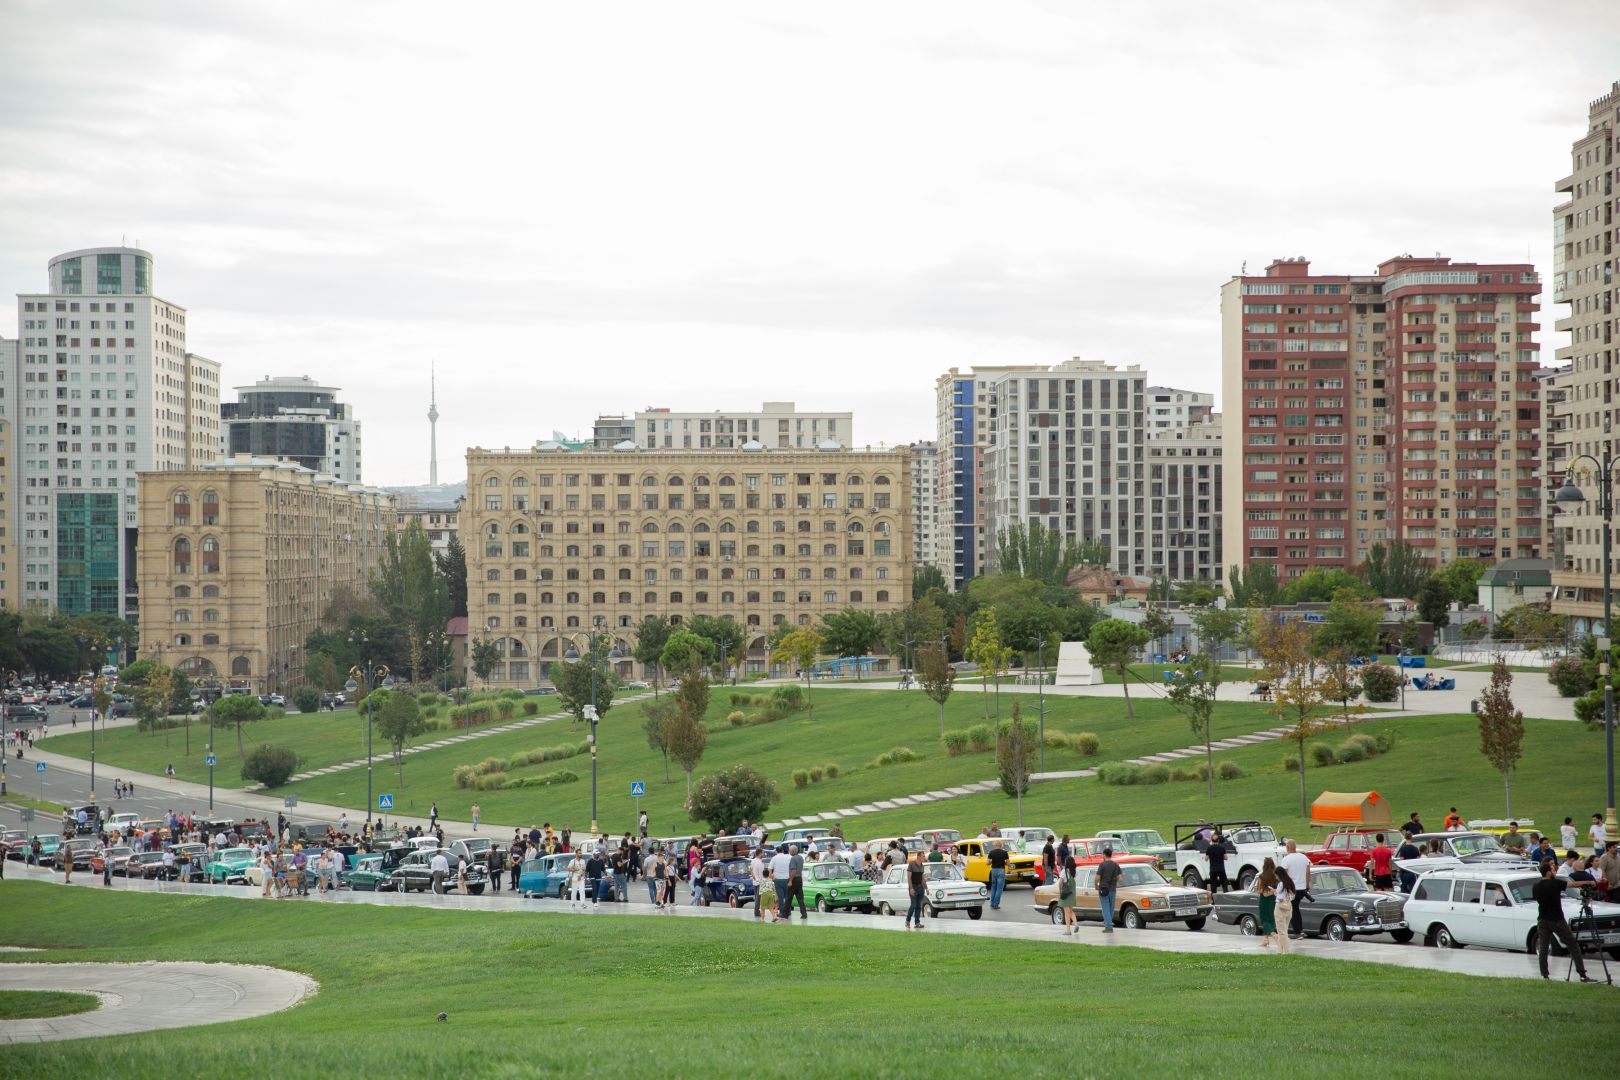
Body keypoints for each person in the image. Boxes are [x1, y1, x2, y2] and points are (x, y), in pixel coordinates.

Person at [1532, 859, 1594, 981]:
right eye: (1552, 869)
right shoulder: (1555, 884)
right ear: (1548, 873)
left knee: (1544, 948)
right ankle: (1582, 974)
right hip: (1557, 919)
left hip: (1542, 920)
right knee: (1573, 944)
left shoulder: (1536, 886)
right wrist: (1589, 882)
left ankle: (1545, 974)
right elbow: (1573, 884)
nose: (1554, 871)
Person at [1279, 840, 1311, 938]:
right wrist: (1307, 886)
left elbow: (1282, 874)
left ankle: (1297, 932)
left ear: (1288, 847)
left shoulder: (1286, 859)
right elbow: (1308, 873)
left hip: (1292, 889)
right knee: (1296, 908)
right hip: (1302, 889)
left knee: (1292, 910)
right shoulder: (1304, 857)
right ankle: (1300, 930)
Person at [1256, 858, 1279, 950]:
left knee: (1265, 919)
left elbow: (1260, 890)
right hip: (1273, 898)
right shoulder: (1275, 875)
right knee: (1271, 918)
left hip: (1264, 900)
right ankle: (1265, 939)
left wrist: (1257, 890)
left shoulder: (1262, 876)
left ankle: (1274, 935)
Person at [1096, 847, 1121, 933]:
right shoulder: (1116, 865)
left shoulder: (1102, 865)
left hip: (1103, 888)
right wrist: (1114, 882)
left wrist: (1096, 885)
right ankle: (1108, 925)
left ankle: (1109, 926)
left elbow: (1097, 877)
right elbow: (1120, 878)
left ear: (1104, 855)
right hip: (1113, 889)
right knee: (1111, 908)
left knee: (1105, 907)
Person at [1273, 865, 1296, 954]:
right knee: (1283, 930)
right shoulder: (1290, 882)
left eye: (1276, 875)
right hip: (1289, 908)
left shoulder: (1281, 884)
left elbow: (1280, 897)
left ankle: (1287, 952)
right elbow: (1292, 896)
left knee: (1281, 932)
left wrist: (1275, 892)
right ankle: (1279, 951)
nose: (1276, 877)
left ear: (1279, 874)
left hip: (1280, 908)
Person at [769, 844, 793, 920]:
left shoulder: (774, 858)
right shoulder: (788, 857)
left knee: (780, 897)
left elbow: (770, 868)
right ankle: (788, 911)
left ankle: (782, 912)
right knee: (787, 897)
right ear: (783, 850)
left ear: (776, 851)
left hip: (778, 879)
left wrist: (771, 876)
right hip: (787, 879)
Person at [905, 849, 927, 929]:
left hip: (920, 887)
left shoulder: (922, 866)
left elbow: (922, 878)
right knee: (913, 905)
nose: (924, 857)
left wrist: (926, 888)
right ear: (918, 857)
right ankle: (907, 921)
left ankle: (917, 923)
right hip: (913, 887)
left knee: (918, 906)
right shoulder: (911, 865)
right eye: (923, 856)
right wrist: (911, 888)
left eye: (924, 856)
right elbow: (909, 878)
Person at [786, 844, 809, 921]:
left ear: (793, 851)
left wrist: (790, 881)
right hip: (799, 879)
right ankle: (804, 914)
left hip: (794, 879)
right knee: (800, 898)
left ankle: (785, 914)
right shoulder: (801, 858)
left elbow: (793, 871)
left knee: (789, 897)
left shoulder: (793, 859)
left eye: (789, 850)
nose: (789, 852)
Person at [1058, 856, 1079, 935]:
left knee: (1066, 912)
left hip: (1065, 894)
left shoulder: (1064, 871)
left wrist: (1060, 891)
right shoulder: (1075, 871)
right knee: (1070, 910)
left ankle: (1068, 930)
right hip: (1072, 893)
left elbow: (1060, 883)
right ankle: (1076, 924)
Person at [986, 840, 1009, 910]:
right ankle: (996, 904)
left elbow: (987, 863)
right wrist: (1004, 862)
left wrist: (992, 861)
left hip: (993, 870)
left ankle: (992, 903)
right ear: (1001, 845)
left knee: (993, 887)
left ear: (995, 845)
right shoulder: (1005, 853)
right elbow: (1008, 863)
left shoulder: (991, 852)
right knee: (999, 888)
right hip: (1001, 870)